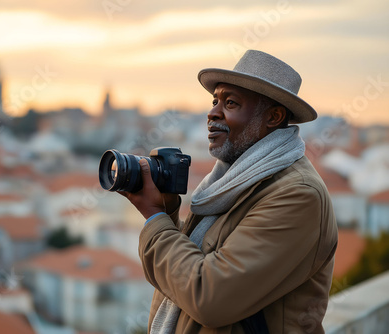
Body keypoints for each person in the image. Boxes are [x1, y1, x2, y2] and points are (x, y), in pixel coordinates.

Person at [119, 50, 338, 333]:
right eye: (215, 101)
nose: (212, 113)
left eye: (231, 103)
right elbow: (187, 272)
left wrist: (154, 218)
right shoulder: (230, 182)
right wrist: (168, 212)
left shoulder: (297, 195)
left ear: (274, 117)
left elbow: (208, 297)